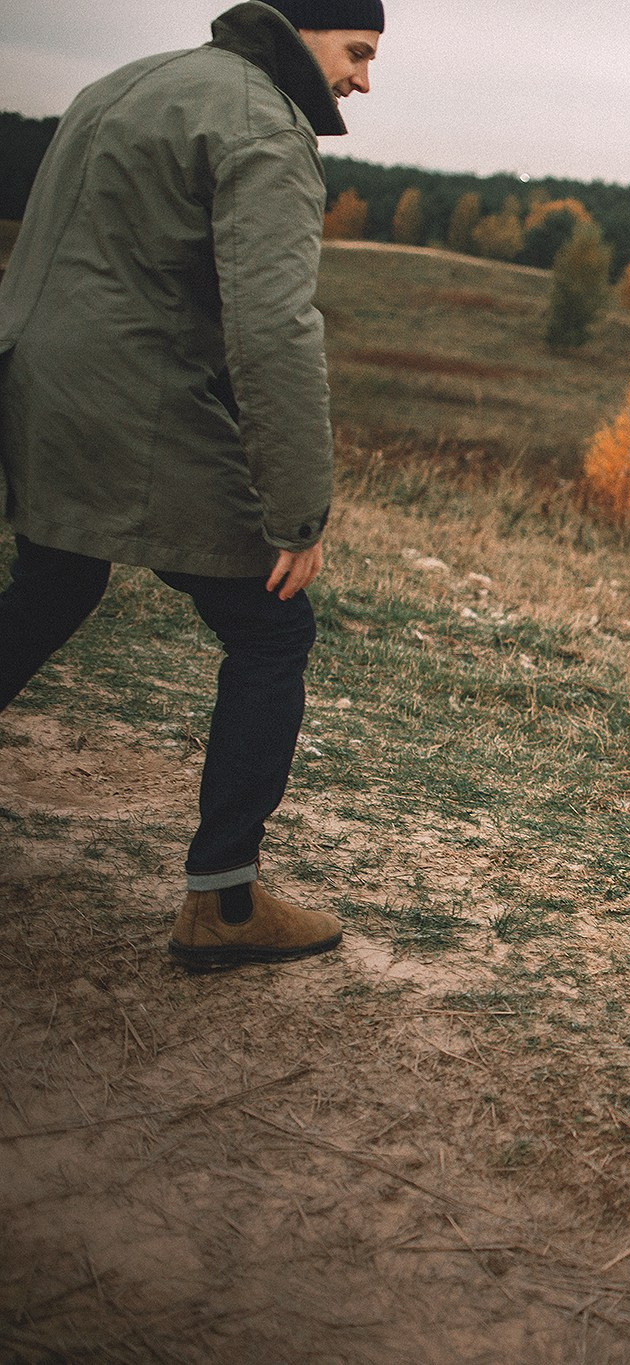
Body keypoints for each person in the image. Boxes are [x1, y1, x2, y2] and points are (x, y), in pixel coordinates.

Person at [0, 1, 384, 966]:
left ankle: (225, 896)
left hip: (34, 387)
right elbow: (274, 328)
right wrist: (297, 510)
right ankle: (226, 904)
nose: (363, 79)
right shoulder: (264, 126)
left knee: (55, 582)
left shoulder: (126, 83)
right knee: (272, 626)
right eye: (358, 52)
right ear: (303, 30)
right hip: (131, 403)